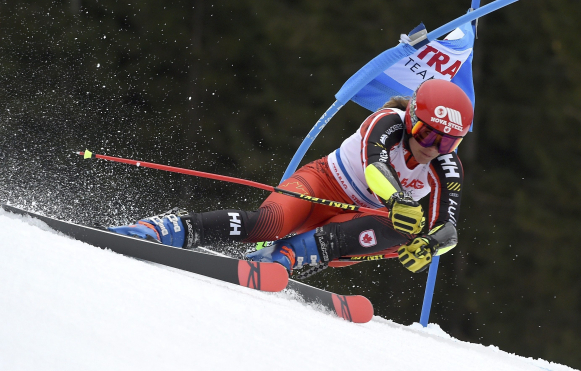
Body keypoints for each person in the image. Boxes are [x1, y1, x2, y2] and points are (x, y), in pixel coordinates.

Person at [109, 79, 473, 275]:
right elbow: (374, 168)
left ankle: (283, 257)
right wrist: (397, 199)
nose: (434, 147)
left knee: (408, 230)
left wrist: (430, 246)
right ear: (411, 119)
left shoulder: (446, 164)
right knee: (267, 222)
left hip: (354, 219)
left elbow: (448, 228)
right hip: (323, 185)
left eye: (448, 141)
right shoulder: (385, 123)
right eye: (428, 134)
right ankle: (164, 230)